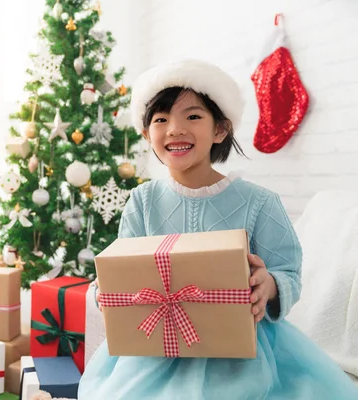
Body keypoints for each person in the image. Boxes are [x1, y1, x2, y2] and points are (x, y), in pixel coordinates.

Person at [78, 59, 358, 399]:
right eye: (161, 120)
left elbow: (288, 271)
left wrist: (268, 285)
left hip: (240, 352)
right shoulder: (142, 200)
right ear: (146, 133)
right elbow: (123, 268)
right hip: (155, 351)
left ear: (220, 129)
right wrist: (107, 292)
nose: (175, 129)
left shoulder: (258, 202)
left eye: (193, 116)